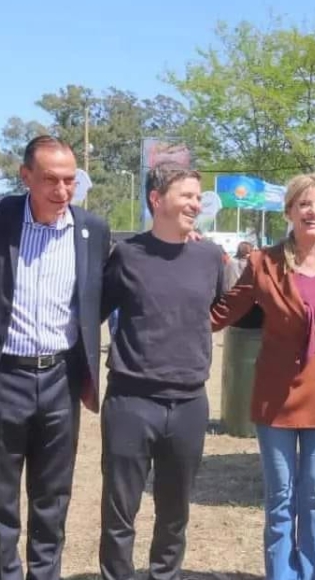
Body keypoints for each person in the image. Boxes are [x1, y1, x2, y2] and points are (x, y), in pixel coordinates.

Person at [0, 135, 110, 580]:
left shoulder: (92, 230)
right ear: (26, 176)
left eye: (70, 181)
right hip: (4, 378)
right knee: (1, 502)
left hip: (60, 380)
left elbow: (97, 298)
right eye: (50, 180)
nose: (62, 191)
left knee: (52, 498)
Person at [211, 173, 315, 580]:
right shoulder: (264, 263)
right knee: (280, 497)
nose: (312, 212)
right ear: (290, 212)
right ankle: (282, 574)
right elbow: (225, 310)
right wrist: (170, 322)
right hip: (275, 395)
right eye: (303, 204)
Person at [99, 164, 224, 580]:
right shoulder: (127, 255)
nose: (195, 203)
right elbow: (93, 311)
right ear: (156, 199)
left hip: (189, 402)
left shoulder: (209, 256)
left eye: (197, 196)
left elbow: (225, 309)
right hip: (130, 401)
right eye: (186, 195)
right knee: (120, 513)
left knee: (175, 513)